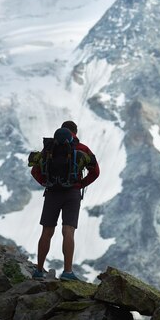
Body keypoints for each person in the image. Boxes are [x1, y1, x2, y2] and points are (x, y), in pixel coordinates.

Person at [32, 120, 100, 281]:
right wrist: (80, 184)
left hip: (52, 192)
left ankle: (39, 270)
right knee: (68, 231)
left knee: (47, 231)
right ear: (75, 132)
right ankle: (67, 272)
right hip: (72, 194)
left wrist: (44, 182)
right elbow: (95, 172)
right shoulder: (82, 149)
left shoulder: (49, 148)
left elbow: (35, 170)